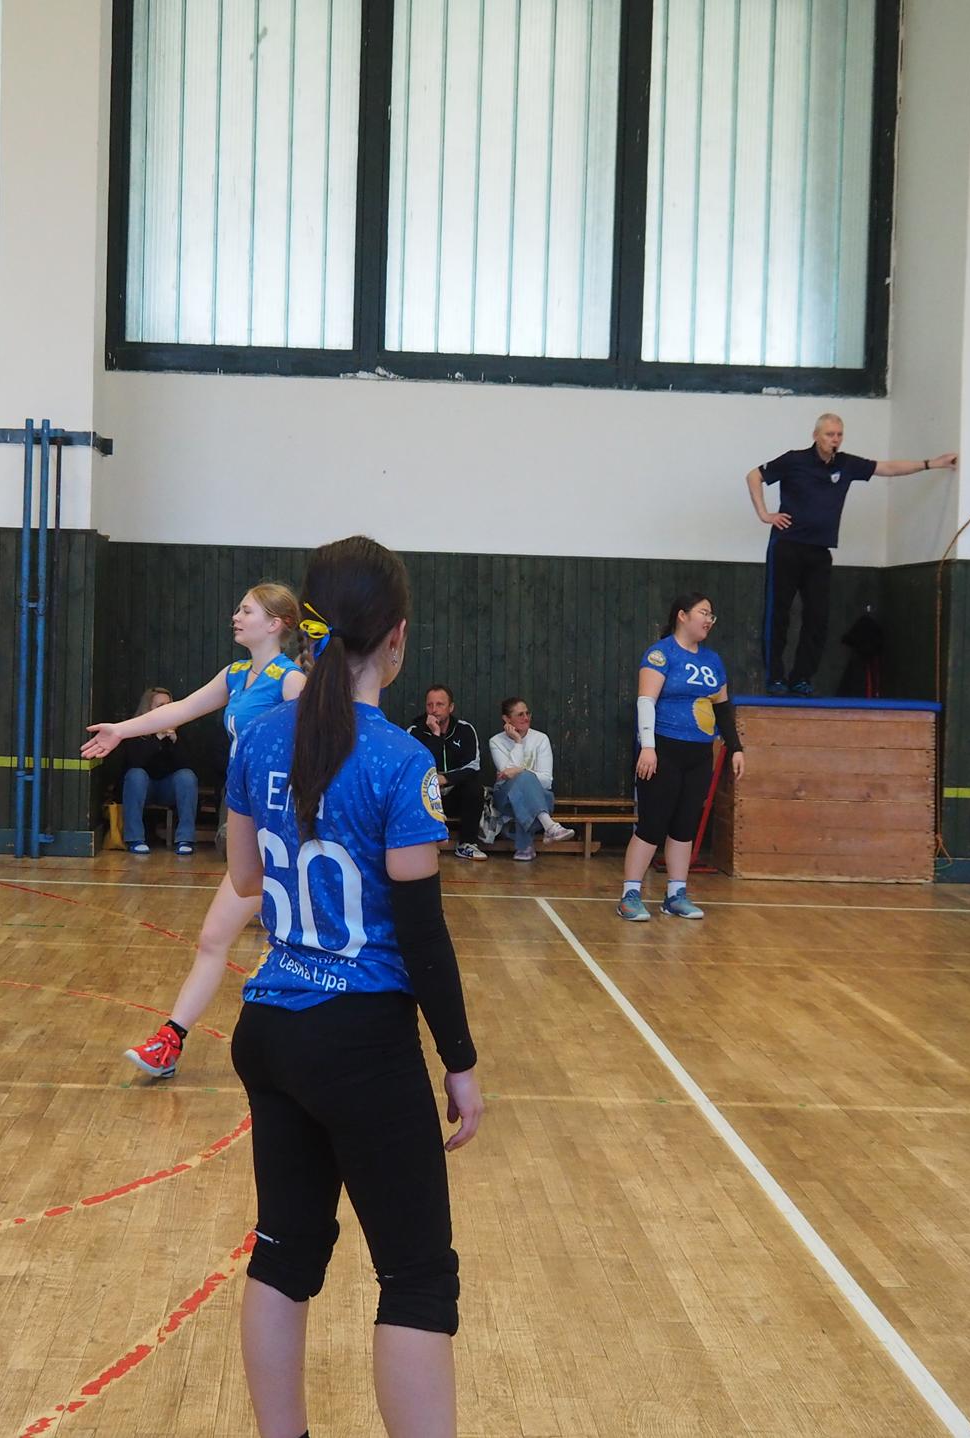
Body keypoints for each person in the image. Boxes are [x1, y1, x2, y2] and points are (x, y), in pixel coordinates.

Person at [223, 534, 481, 1438]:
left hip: (270, 1025)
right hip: (361, 1042)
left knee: (284, 1255)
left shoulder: (258, 737)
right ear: (397, 635)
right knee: (415, 1278)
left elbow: (245, 877)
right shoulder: (401, 762)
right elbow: (421, 932)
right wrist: (458, 1060)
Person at [80, 583, 306, 1079]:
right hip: (251, 825)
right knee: (213, 938)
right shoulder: (237, 675)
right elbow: (179, 709)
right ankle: (170, 1041)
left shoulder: (291, 682)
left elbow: (324, 743)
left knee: (291, 945)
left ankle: (312, 1052)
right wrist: (121, 729)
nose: (236, 616)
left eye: (246, 610)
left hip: (285, 830)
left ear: (275, 624)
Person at [748, 415, 956, 696]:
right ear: (816, 435)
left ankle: (801, 677)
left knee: (818, 617)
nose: (834, 439)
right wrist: (764, 514)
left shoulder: (846, 464)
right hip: (787, 546)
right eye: (829, 434)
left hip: (820, 551)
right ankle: (775, 676)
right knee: (778, 613)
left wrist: (931, 463)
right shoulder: (794, 460)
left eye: (839, 434)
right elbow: (754, 475)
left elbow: (887, 468)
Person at [618, 593, 745, 922]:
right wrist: (648, 747)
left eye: (712, 615)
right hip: (663, 750)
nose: (709, 620)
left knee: (685, 824)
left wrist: (735, 747)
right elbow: (646, 701)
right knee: (652, 824)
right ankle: (630, 895)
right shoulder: (661, 654)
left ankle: (676, 895)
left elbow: (722, 708)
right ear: (682, 615)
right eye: (704, 612)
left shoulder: (713, 661)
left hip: (699, 754)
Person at [117, 685, 201, 855]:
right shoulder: (134, 729)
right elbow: (135, 762)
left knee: (187, 776)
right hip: (143, 788)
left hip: (167, 789)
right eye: (160, 705)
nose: (166, 709)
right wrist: (157, 738)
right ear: (148, 708)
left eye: (169, 705)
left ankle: (185, 839)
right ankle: (135, 838)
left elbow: (190, 765)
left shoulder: (179, 729)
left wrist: (176, 741)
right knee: (136, 775)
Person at [487, 698, 575, 862]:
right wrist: (518, 742)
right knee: (525, 781)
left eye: (528, 713)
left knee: (527, 786)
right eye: (520, 714)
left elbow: (546, 781)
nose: (526, 718)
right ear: (506, 719)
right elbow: (507, 776)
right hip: (505, 798)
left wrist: (520, 771)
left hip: (538, 796)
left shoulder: (541, 739)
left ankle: (525, 846)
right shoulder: (496, 741)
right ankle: (549, 826)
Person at [406, 684, 487, 862]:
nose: (434, 710)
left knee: (474, 787)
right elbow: (417, 767)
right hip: (427, 794)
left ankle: (467, 844)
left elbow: (473, 766)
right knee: (410, 788)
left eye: (440, 704)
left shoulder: (465, 730)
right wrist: (435, 735)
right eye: (430, 705)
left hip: (454, 794)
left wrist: (445, 778)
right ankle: (427, 841)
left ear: (451, 707)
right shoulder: (414, 731)